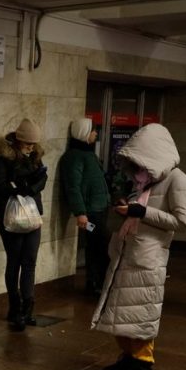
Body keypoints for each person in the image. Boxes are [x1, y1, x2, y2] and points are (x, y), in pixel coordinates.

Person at [92, 123, 186, 370]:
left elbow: (182, 221)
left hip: (148, 257)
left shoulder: (178, 179)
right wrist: (127, 206)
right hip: (128, 252)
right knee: (123, 311)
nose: (137, 169)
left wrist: (141, 212)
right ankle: (129, 357)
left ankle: (143, 364)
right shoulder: (145, 179)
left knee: (141, 311)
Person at [0, 118, 48, 331]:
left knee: (29, 260)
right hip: (9, 215)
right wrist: (23, 185)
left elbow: (42, 179)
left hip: (32, 214)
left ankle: (27, 308)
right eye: (27, 144)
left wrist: (30, 187)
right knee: (15, 260)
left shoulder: (36, 155)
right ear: (18, 140)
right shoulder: (3, 156)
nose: (31, 147)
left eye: (33, 144)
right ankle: (14, 308)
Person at [60, 117, 110, 296]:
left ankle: (97, 281)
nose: (96, 134)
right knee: (97, 245)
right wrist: (80, 212)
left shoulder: (88, 154)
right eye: (93, 130)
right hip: (90, 212)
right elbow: (73, 186)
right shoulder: (74, 157)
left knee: (99, 245)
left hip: (99, 208)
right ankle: (96, 282)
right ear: (83, 133)